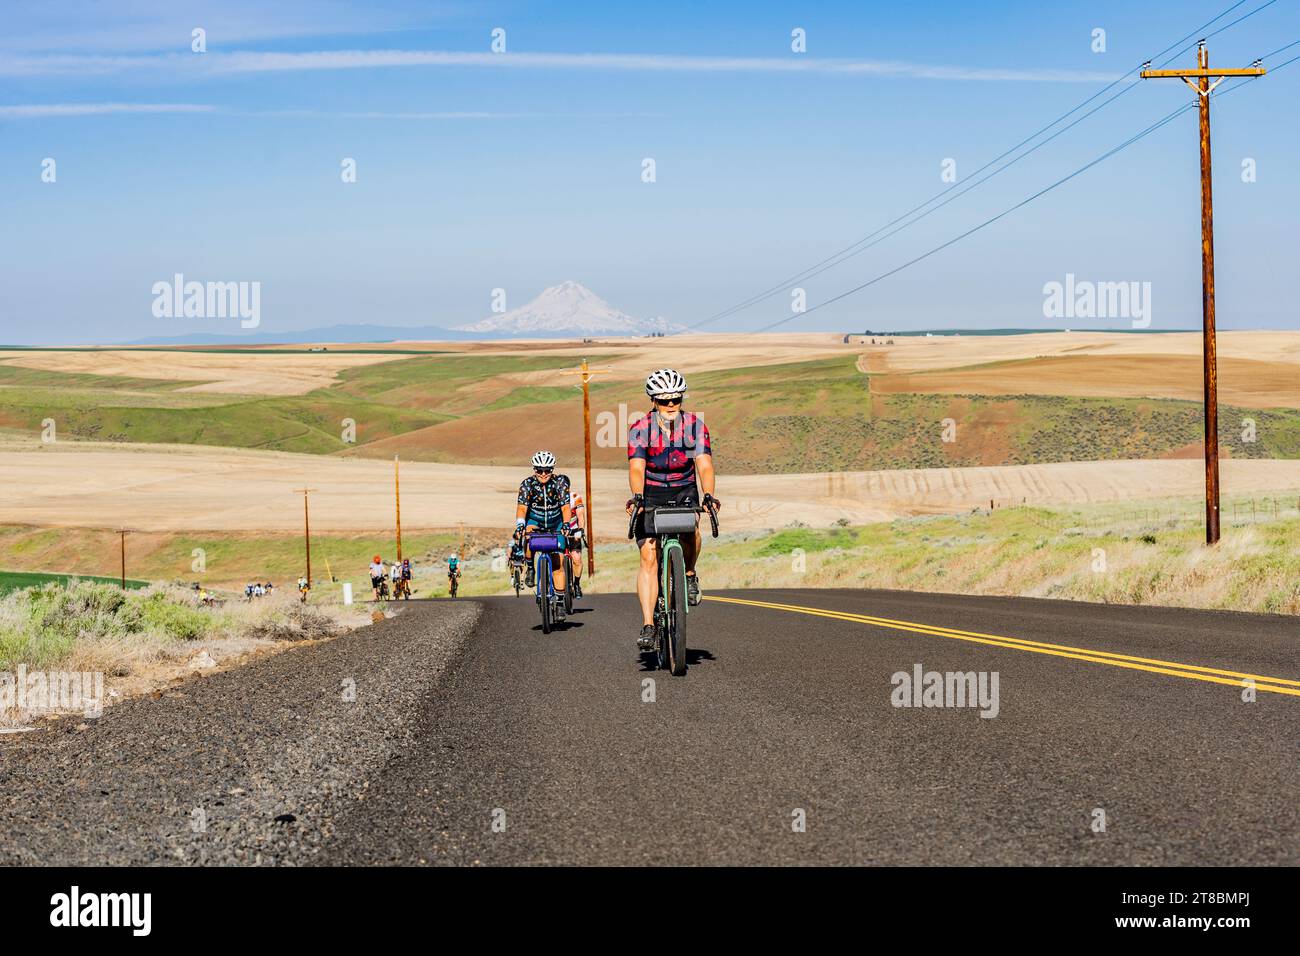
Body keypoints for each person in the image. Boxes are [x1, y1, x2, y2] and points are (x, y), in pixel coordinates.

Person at [626, 368, 721, 650]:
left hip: (683, 488)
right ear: (653, 401)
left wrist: (709, 495)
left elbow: (703, 463)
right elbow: (636, 466)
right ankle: (648, 625)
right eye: (664, 401)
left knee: (691, 530)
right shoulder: (640, 429)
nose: (671, 406)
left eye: (676, 400)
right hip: (652, 489)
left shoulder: (695, 426)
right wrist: (638, 496)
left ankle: (689, 574)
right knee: (648, 555)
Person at [514, 450, 573, 611]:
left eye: (547, 470)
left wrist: (566, 524)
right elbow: (521, 508)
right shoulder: (527, 484)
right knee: (527, 535)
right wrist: (520, 524)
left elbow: (566, 508)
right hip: (535, 520)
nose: (543, 474)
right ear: (534, 470)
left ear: (552, 470)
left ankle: (560, 603)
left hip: (556, 523)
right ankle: (531, 568)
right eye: (539, 470)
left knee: (557, 563)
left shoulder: (560, 482)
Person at [565, 489, 587, 598]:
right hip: (557, 530)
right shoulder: (552, 497)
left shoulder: (575, 497)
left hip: (573, 530)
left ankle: (577, 584)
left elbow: (580, 515)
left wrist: (581, 529)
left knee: (577, 558)